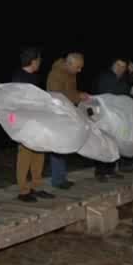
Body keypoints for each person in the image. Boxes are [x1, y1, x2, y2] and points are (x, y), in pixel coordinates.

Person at [12, 47, 56, 202]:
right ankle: (23, 190)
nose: (40, 62)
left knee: (39, 153)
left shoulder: (34, 77)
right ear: (33, 61)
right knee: (25, 156)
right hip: (24, 124)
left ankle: (36, 186)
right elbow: (17, 103)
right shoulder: (19, 78)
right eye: (39, 59)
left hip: (37, 122)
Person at [46, 52, 90, 189]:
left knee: (65, 145)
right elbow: (57, 94)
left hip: (67, 112)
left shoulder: (70, 72)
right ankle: (57, 180)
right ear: (69, 63)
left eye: (81, 67)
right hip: (58, 113)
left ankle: (62, 177)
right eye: (77, 67)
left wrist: (77, 96)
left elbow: (69, 91)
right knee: (58, 146)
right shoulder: (56, 74)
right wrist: (78, 96)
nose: (79, 70)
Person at [93, 58, 129, 182]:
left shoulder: (123, 80)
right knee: (103, 143)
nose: (121, 68)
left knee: (115, 143)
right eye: (118, 65)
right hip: (105, 116)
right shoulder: (106, 77)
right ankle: (100, 172)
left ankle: (111, 170)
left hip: (117, 117)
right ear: (113, 65)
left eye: (123, 66)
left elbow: (125, 96)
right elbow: (105, 95)